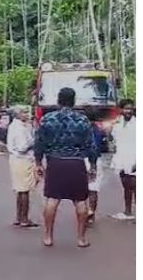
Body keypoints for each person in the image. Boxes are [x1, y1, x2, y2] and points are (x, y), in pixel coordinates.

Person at [34, 87, 97, 247]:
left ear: (58, 100)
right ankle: (81, 238)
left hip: (55, 162)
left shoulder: (48, 119)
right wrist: (93, 165)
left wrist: (38, 163)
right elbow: (91, 145)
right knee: (81, 201)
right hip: (76, 162)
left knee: (52, 200)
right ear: (74, 100)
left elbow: (39, 142)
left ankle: (48, 236)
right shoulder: (83, 120)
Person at [7, 106, 39, 228]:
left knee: (20, 190)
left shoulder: (17, 126)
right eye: (24, 112)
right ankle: (24, 219)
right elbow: (22, 147)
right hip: (23, 159)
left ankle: (19, 217)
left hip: (17, 159)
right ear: (18, 114)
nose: (27, 114)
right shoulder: (20, 128)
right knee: (24, 190)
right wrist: (33, 142)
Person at [110, 99, 136, 220]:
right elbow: (113, 139)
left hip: (134, 158)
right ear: (121, 110)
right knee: (126, 186)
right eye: (126, 108)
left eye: (130, 108)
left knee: (135, 186)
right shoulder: (117, 123)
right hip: (121, 159)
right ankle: (127, 211)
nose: (128, 111)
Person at [85, 123, 106, 225]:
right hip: (96, 160)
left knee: (81, 190)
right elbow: (103, 146)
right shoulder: (99, 130)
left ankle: (83, 214)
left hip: (81, 160)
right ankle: (91, 216)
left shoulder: (79, 129)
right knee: (93, 189)